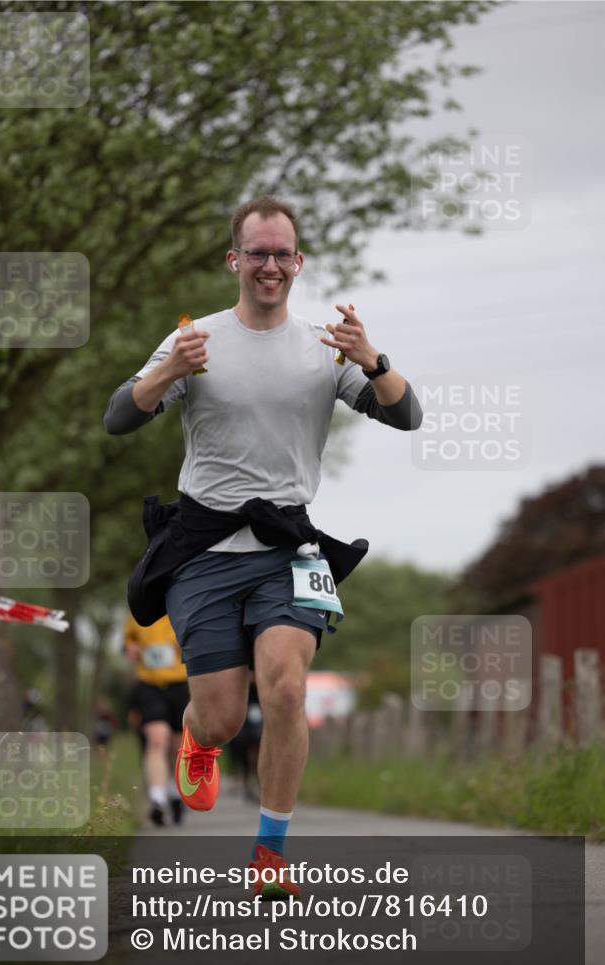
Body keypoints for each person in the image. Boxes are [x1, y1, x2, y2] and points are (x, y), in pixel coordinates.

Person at [105, 195, 422, 896]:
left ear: (298, 262)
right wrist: (167, 372)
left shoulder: (323, 346)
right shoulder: (196, 339)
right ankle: (198, 737)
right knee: (219, 717)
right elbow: (119, 417)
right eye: (258, 253)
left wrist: (372, 360)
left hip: (288, 547)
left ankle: (270, 856)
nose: (270, 265)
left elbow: (406, 416)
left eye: (282, 254)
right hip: (204, 548)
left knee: (284, 684)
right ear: (234, 260)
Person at [124, 613, 189, 826]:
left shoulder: (182, 606)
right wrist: (130, 648)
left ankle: (176, 796)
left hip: (180, 684)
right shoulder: (137, 611)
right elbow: (127, 640)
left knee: (177, 748)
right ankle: (158, 800)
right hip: (149, 685)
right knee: (157, 740)